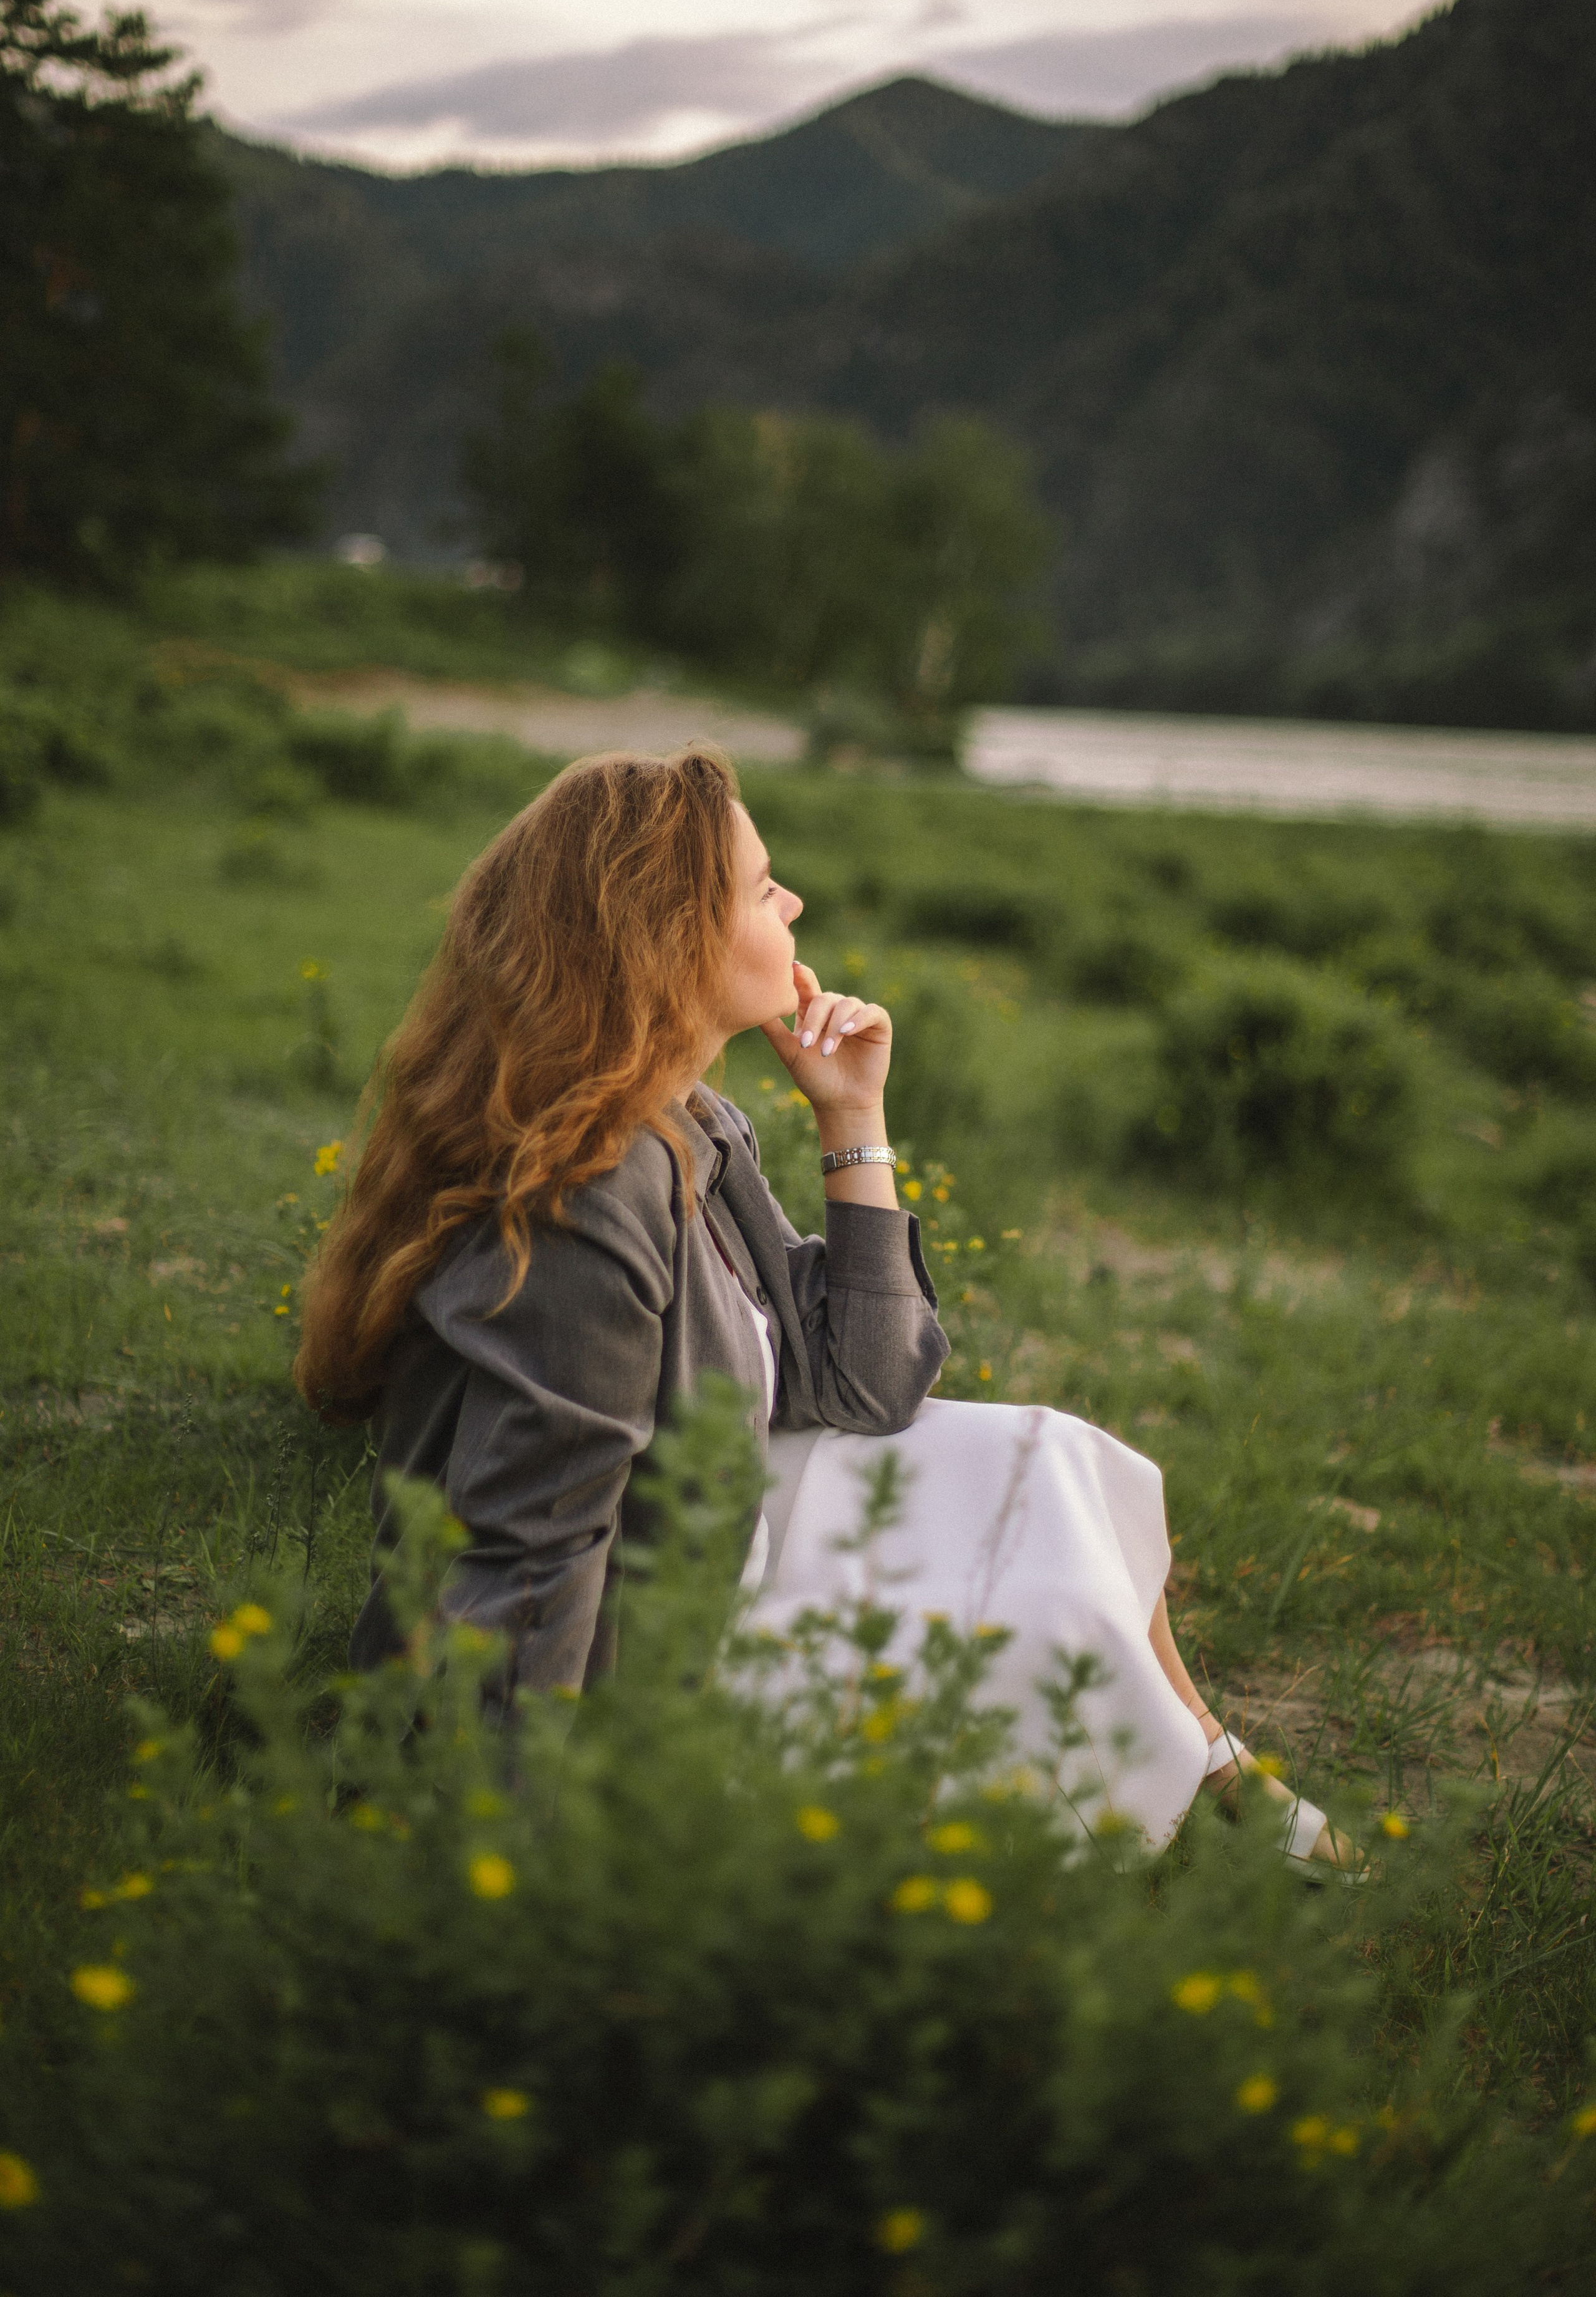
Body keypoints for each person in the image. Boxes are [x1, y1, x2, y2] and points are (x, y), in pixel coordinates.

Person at [296, 748, 1350, 1871]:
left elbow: (867, 1382)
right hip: (663, 1658)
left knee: (1047, 1458)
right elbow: (528, 1552)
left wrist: (853, 1118)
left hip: (720, 1529)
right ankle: (1199, 1794)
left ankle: (1212, 1763)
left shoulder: (687, 1122)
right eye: (761, 888)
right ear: (670, 935)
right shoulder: (585, 1199)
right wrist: (508, 1847)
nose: (793, 903)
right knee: (1047, 1601)